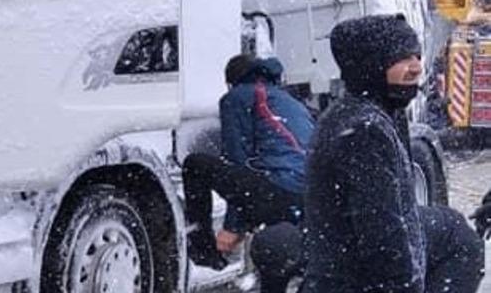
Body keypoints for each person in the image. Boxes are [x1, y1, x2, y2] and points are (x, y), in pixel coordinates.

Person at [302, 14, 485, 293]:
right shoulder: (364, 131)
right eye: (402, 58)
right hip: (354, 281)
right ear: (371, 65)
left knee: (454, 230)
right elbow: (381, 237)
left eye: (417, 55)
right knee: (458, 238)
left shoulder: (374, 110)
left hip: (339, 271)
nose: (416, 67)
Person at [182, 54, 314, 276]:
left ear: (232, 81)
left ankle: (204, 251)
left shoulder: (236, 98)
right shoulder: (289, 100)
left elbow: (237, 160)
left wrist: (233, 227)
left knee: (195, 165)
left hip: (278, 191)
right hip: (307, 199)